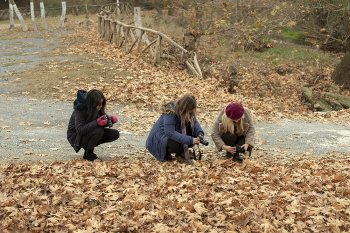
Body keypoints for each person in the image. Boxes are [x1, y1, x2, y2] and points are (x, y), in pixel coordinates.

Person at [146, 95, 205, 163]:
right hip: (159, 139)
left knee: (193, 135)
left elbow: (194, 123)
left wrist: (200, 134)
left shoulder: (187, 112)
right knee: (178, 143)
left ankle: (181, 153)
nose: (191, 113)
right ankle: (168, 153)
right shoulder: (170, 112)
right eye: (190, 111)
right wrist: (190, 140)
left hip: (170, 136)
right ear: (185, 107)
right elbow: (170, 133)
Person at [67, 89, 119, 161]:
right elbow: (80, 130)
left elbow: (98, 123)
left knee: (114, 134)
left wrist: (109, 121)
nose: (100, 106)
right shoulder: (80, 109)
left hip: (89, 132)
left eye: (101, 104)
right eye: (98, 104)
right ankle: (88, 153)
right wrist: (97, 122)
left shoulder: (97, 108)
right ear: (92, 104)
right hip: (75, 137)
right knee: (98, 130)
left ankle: (89, 146)